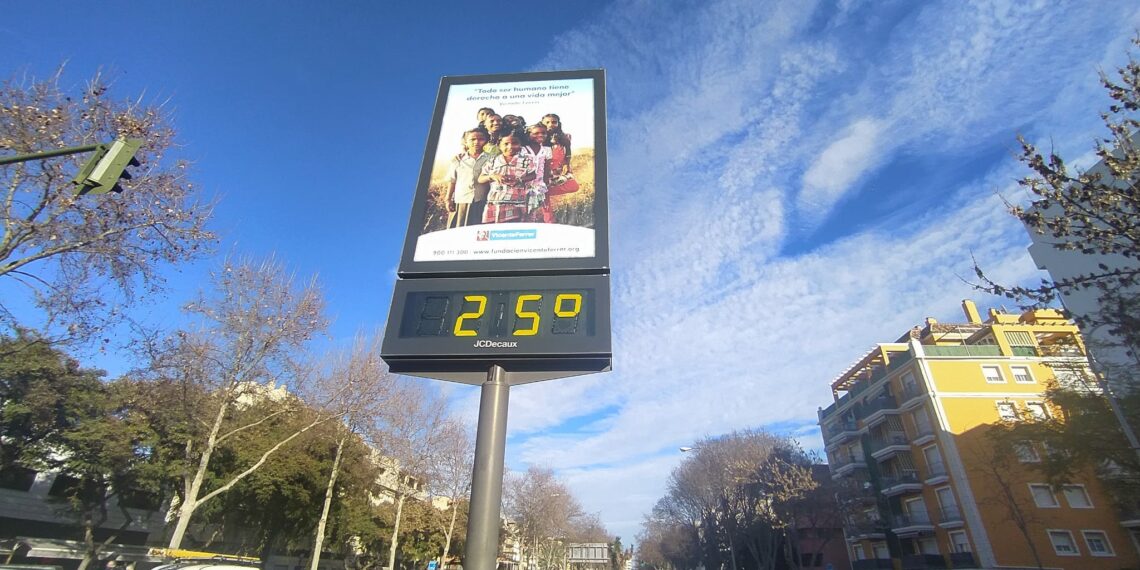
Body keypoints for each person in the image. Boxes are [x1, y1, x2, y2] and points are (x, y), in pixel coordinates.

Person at [479, 133, 535, 223]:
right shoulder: (493, 161)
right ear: (499, 145)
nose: (510, 147)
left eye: (515, 143)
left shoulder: (526, 160)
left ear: (520, 145)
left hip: (517, 201)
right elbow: (481, 178)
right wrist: (492, 176)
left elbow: (533, 175)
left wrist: (519, 180)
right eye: (506, 144)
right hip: (496, 200)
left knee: (514, 226)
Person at [445, 129, 491, 228]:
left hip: (482, 200)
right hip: (462, 200)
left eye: (481, 139)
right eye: (472, 139)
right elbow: (452, 180)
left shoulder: (491, 159)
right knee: (459, 229)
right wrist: (448, 199)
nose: (476, 142)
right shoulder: (458, 160)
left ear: (486, 141)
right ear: (466, 142)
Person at [522, 124, 553, 223]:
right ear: (528, 134)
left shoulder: (547, 150)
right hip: (521, 186)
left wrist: (546, 182)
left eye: (543, 133)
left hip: (537, 187)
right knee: (520, 212)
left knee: (532, 213)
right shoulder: (523, 149)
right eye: (536, 133)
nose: (540, 135)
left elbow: (546, 168)